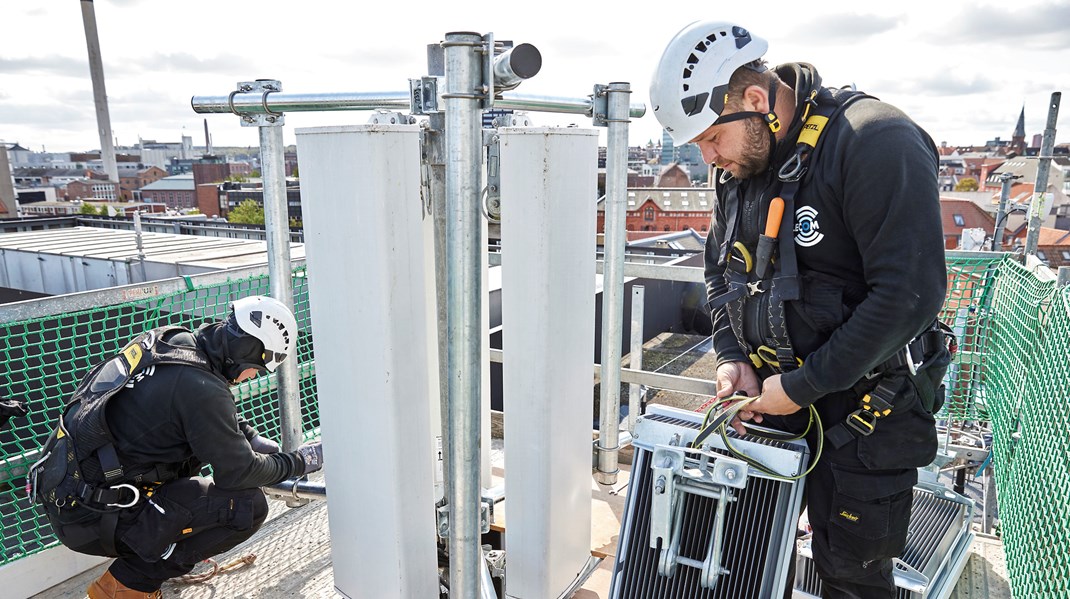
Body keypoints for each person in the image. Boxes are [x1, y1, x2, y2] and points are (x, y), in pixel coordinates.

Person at [650, 22, 952, 598]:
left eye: (712, 139)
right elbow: (722, 271)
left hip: (863, 420)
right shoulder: (741, 168)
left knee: (851, 578)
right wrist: (733, 355)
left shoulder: (873, 141)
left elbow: (908, 296)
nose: (709, 158)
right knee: (747, 557)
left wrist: (804, 385)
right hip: (770, 403)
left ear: (756, 102)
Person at [29, 296, 324, 599]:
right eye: (258, 369)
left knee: (192, 465)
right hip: (90, 518)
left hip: (69, 492)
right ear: (247, 352)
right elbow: (239, 474)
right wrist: (300, 461)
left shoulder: (172, 340)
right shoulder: (204, 391)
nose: (253, 376)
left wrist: (245, 433)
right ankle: (126, 586)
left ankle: (144, 558)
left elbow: (183, 406)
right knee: (246, 507)